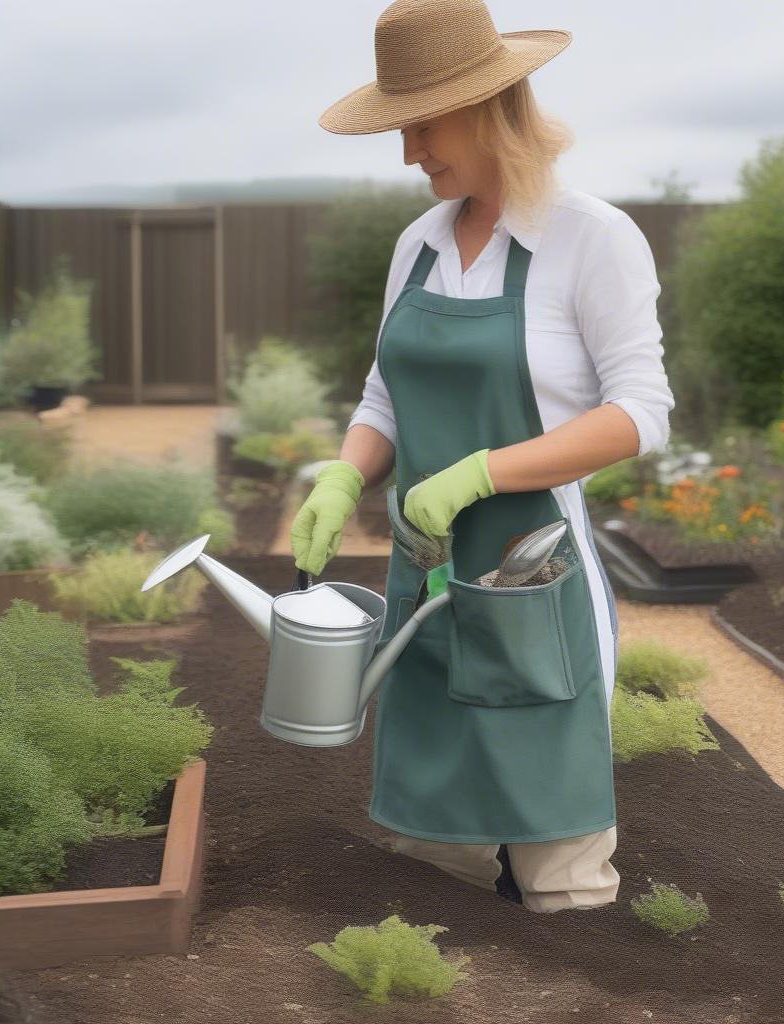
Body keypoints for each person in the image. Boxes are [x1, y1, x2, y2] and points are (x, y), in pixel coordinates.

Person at [291, 0, 675, 913]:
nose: (409, 152)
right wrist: (346, 473)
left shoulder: (592, 239)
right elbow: (383, 394)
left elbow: (641, 413)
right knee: (434, 879)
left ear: (487, 106)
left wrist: (483, 472)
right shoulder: (416, 246)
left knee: (562, 888)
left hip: (529, 580)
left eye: (421, 126)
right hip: (423, 581)